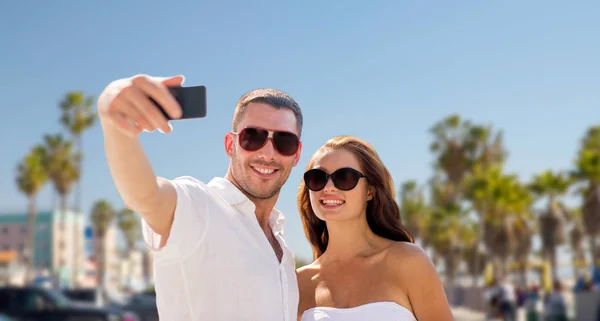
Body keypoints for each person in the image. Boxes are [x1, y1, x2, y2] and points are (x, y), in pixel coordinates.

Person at [97, 74, 304, 320]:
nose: (268, 153)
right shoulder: (200, 206)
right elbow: (146, 197)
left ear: (297, 154)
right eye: (253, 137)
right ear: (230, 144)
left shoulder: (284, 251)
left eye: (284, 141)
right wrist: (116, 124)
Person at [295, 136, 454, 321]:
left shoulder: (408, 262)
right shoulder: (298, 283)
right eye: (318, 178)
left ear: (370, 190)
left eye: (344, 177)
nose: (329, 187)